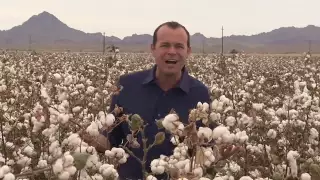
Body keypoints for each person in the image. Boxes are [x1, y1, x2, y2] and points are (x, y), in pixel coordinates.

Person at [85, 21, 228, 180]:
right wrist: (87, 138)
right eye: (165, 45)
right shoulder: (127, 85)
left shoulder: (200, 93)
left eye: (179, 46)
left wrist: (219, 154)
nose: (172, 52)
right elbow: (111, 141)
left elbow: (203, 148)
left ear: (188, 51)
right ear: (153, 49)